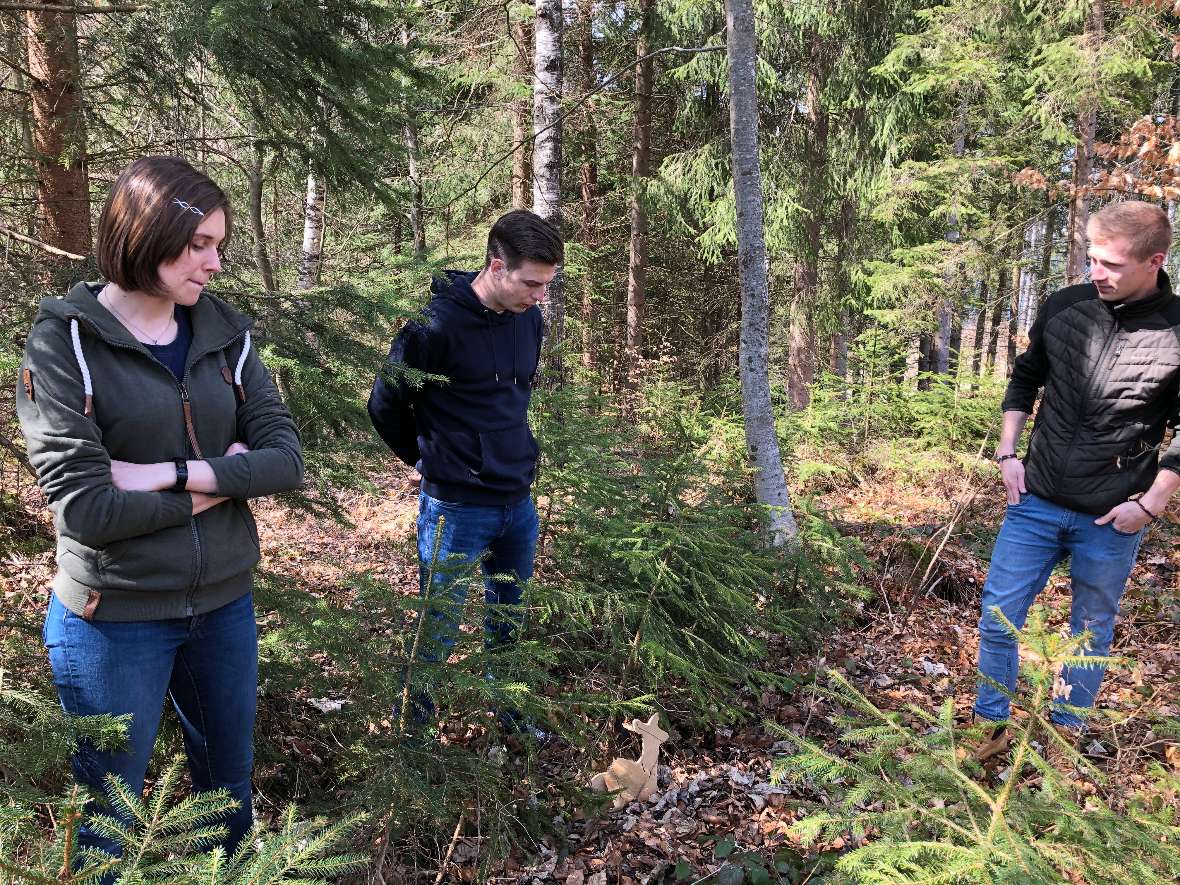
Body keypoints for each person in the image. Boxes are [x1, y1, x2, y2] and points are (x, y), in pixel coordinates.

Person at [16, 156, 304, 860]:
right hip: (113, 618)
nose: (214, 262)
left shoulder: (223, 335)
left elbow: (284, 459)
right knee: (108, 822)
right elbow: (87, 510)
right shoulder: (66, 343)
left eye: (220, 245)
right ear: (146, 233)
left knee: (228, 798)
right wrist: (221, 481)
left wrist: (160, 474)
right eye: (198, 244)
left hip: (224, 606)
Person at [969, 200, 1180, 762]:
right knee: (998, 617)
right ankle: (988, 729)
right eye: (1091, 259)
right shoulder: (1065, 307)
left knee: (1090, 629)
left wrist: (1152, 504)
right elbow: (1026, 377)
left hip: (1111, 517)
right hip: (1034, 501)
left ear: (1154, 261)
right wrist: (1008, 452)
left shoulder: (1178, 331)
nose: (1096, 272)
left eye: (1110, 264)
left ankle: (1064, 736)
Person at [368, 209, 562, 730]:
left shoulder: (531, 320)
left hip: (517, 503)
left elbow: (511, 401)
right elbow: (384, 403)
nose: (539, 295)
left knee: (508, 620)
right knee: (438, 630)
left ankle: (511, 716)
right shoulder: (435, 327)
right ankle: (413, 737)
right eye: (531, 283)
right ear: (497, 266)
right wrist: (425, 460)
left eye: (546, 284)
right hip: (455, 508)